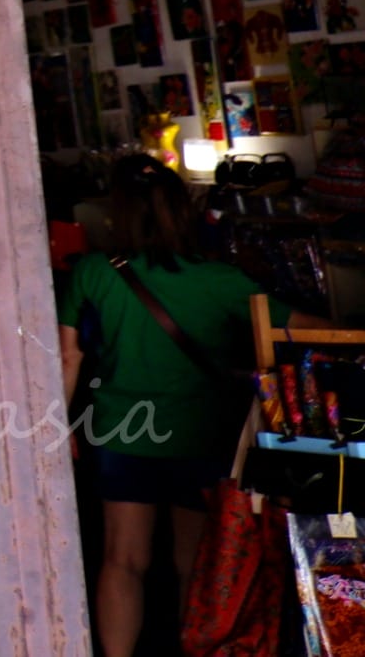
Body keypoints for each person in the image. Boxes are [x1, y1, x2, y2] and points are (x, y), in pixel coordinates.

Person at [57, 155, 294, 657]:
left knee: (122, 559)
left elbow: (68, 358)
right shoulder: (224, 281)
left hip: (121, 433)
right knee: (196, 562)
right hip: (202, 435)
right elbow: (302, 326)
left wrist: (57, 432)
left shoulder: (94, 273)